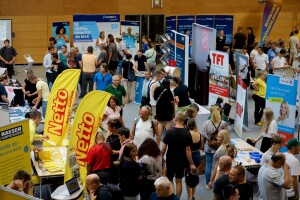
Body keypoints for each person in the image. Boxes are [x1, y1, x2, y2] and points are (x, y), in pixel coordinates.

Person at [161, 112, 196, 198]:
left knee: (170, 179)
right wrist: (191, 163)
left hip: (170, 158)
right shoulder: (187, 133)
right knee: (179, 181)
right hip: (181, 159)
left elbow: (163, 148)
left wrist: (160, 158)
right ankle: (177, 198)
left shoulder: (169, 132)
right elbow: (188, 150)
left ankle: (171, 198)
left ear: (175, 119)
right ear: (184, 120)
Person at [202, 105, 230, 189]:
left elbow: (203, 135)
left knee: (208, 164)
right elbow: (228, 131)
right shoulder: (223, 123)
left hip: (208, 147)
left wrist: (203, 145)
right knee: (218, 166)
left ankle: (208, 183)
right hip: (220, 148)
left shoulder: (206, 123)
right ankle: (217, 183)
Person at [185, 119, 202, 200]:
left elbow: (185, 148)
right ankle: (193, 195)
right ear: (195, 125)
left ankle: (189, 196)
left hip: (188, 157)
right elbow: (201, 147)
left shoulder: (186, 135)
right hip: (197, 156)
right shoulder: (199, 135)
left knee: (188, 176)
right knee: (195, 175)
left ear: (187, 126)